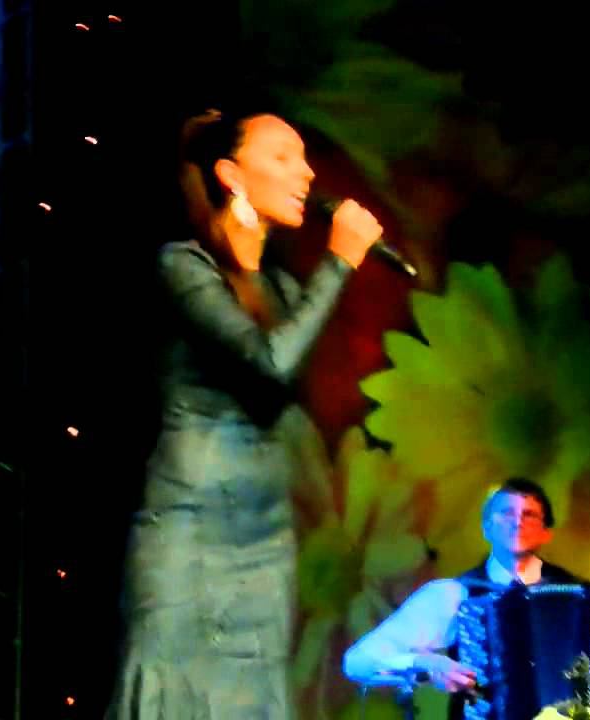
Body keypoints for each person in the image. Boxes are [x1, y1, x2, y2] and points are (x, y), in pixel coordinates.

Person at [104, 108, 383, 719]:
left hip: (264, 537)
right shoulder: (184, 266)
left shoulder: (282, 288)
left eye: (305, 159)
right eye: (283, 157)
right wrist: (340, 261)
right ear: (231, 174)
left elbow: (283, 385)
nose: (306, 174)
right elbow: (268, 364)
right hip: (190, 524)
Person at [342, 478, 590, 715]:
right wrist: (424, 662)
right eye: (506, 513)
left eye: (530, 515)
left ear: (546, 533)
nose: (518, 521)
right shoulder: (454, 595)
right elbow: (357, 662)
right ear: (486, 527)